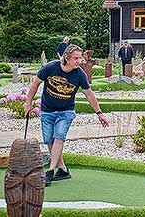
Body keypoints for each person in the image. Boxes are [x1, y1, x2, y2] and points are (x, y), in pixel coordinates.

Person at [23, 44, 109, 187]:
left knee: (59, 137)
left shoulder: (79, 74)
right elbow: (35, 84)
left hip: (66, 112)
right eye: (76, 58)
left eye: (80, 58)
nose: (79, 61)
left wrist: (99, 113)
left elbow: (89, 94)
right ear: (67, 58)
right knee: (49, 142)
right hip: (47, 110)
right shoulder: (50, 68)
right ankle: (63, 170)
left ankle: (50, 171)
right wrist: (28, 102)